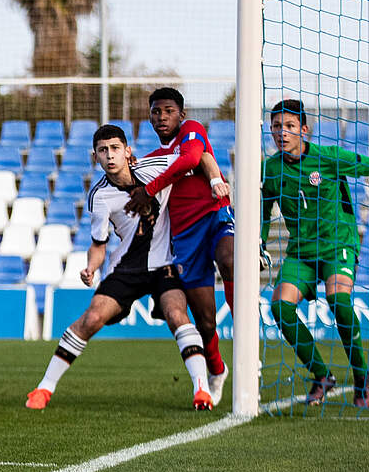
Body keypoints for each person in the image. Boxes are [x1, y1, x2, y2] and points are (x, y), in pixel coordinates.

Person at [26, 124, 226, 411]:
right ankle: (44, 388)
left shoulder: (155, 167)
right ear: (95, 157)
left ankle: (201, 391)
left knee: (176, 313)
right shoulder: (99, 197)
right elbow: (98, 243)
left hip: (165, 264)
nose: (110, 155)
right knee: (92, 318)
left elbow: (201, 155)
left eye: (115, 149)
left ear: (127, 151)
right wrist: (91, 268)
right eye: (103, 151)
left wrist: (216, 180)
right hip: (125, 269)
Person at [262, 99, 369, 408]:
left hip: (337, 244)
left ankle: (361, 377)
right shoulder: (270, 169)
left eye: (288, 126)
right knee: (280, 308)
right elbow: (264, 210)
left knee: (339, 301)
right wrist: (259, 243)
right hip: (301, 251)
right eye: (276, 127)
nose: (281, 133)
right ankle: (322, 374)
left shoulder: (327, 158)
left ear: (304, 130)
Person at [124, 87, 234, 405]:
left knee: (229, 260)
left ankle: (245, 342)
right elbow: (136, 187)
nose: (162, 117)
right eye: (156, 111)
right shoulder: (152, 162)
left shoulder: (192, 131)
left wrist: (153, 188)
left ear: (181, 115)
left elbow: (191, 157)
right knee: (205, 320)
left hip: (215, 216)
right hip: (185, 237)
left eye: (168, 110)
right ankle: (217, 369)